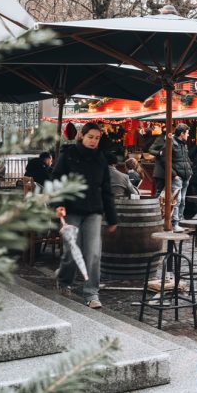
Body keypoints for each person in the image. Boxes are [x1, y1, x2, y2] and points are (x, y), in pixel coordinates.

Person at [52, 122, 117, 309]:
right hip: (71, 210)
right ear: (82, 135)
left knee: (94, 253)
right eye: (91, 137)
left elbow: (106, 190)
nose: (94, 141)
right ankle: (64, 281)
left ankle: (91, 293)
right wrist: (58, 204)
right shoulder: (68, 155)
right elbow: (56, 180)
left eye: (97, 138)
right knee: (72, 252)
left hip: (94, 211)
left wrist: (112, 218)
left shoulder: (101, 159)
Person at [149, 123, 193, 230]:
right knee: (176, 201)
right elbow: (165, 161)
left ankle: (180, 221)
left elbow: (186, 159)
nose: (188, 135)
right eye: (187, 133)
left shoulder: (183, 144)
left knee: (182, 200)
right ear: (182, 134)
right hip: (178, 177)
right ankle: (175, 224)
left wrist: (190, 172)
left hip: (186, 176)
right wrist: (174, 175)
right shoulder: (170, 143)